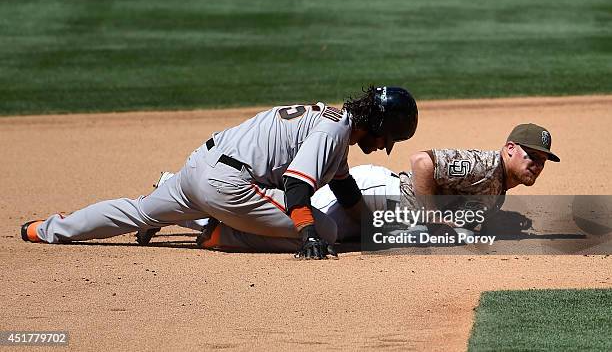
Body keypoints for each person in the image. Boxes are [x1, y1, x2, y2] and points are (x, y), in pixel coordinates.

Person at [20, 86, 419, 260]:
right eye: (388, 139)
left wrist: (370, 228)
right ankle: (217, 233)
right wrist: (309, 234)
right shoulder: (335, 131)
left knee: (138, 211)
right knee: (325, 231)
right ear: (380, 126)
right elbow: (297, 185)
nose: (384, 148)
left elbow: (344, 188)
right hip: (228, 186)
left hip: (198, 167)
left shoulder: (331, 122)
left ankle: (46, 229)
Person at [154, 123, 559, 252]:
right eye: (530, 155)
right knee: (310, 230)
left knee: (324, 236)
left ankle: (209, 224)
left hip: (381, 212)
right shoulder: (481, 164)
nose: (536, 164)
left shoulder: (499, 186)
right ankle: (188, 203)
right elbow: (421, 162)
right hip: (376, 193)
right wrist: (432, 216)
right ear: (509, 149)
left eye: (541, 161)